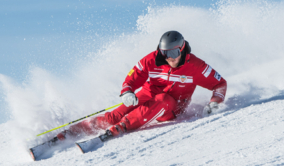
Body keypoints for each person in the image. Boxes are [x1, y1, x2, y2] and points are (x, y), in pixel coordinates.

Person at [64, 31, 227, 139]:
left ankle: (121, 128)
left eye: (173, 53)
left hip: (173, 106)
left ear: (182, 49)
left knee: (163, 99)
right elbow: (134, 75)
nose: (168, 58)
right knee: (113, 117)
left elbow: (219, 84)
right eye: (165, 53)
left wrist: (215, 102)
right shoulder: (153, 59)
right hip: (149, 94)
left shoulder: (196, 66)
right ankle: (74, 130)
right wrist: (127, 91)